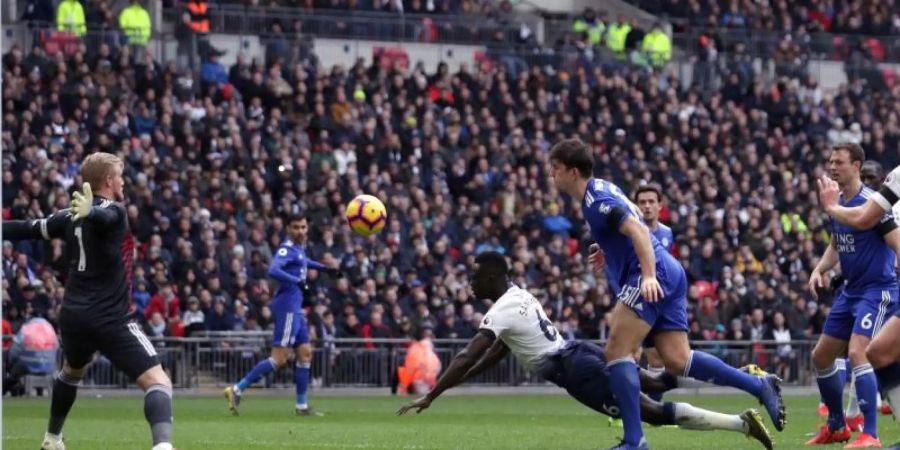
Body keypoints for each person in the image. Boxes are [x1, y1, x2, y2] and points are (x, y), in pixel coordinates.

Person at [396, 252, 774, 450]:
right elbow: (498, 351)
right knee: (658, 383)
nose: (471, 282)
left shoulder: (500, 310)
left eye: (476, 276)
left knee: (653, 412)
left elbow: (467, 354)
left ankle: (740, 422)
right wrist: (458, 383)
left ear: (493, 277)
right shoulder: (519, 296)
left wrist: (433, 394)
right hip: (579, 351)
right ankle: (748, 379)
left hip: (575, 371)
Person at [547, 138, 784, 449]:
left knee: (617, 352)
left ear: (573, 172)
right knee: (678, 360)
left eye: (555, 169)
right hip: (668, 271)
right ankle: (757, 384)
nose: (552, 175)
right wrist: (607, 252)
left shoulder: (596, 199)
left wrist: (646, 276)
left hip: (652, 272)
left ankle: (635, 441)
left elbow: (639, 229)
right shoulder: (601, 190)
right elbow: (627, 230)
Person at [2, 152, 174, 450]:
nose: (123, 181)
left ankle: (52, 438)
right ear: (108, 180)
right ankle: (162, 447)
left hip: (74, 315)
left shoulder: (69, 215)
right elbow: (107, 216)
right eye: (120, 176)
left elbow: (28, 227)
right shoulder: (115, 211)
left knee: (72, 371)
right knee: (159, 382)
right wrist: (93, 212)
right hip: (111, 317)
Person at [806, 144, 900, 448]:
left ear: (857, 166)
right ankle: (837, 425)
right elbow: (837, 242)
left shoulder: (873, 204)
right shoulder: (839, 202)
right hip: (850, 291)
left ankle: (870, 434)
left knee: (860, 352)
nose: (833, 167)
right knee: (820, 356)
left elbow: (895, 242)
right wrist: (819, 268)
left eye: (840, 162)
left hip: (878, 290)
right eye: (830, 161)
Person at [224, 214, 340, 416]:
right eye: (296, 227)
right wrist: (296, 280)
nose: (301, 231)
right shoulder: (287, 248)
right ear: (288, 229)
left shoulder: (298, 249)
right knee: (279, 358)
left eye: (303, 227)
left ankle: (302, 406)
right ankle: (236, 389)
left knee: (305, 353)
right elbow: (274, 269)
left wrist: (324, 269)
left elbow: (303, 261)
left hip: (295, 308)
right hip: (287, 307)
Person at [633, 183, 673, 402]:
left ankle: (654, 409)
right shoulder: (631, 230)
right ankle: (620, 406)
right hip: (634, 301)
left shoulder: (667, 233)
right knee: (630, 356)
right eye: (642, 202)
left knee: (658, 360)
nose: (647, 206)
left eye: (651, 202)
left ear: (660, 206)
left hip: (657, 302)